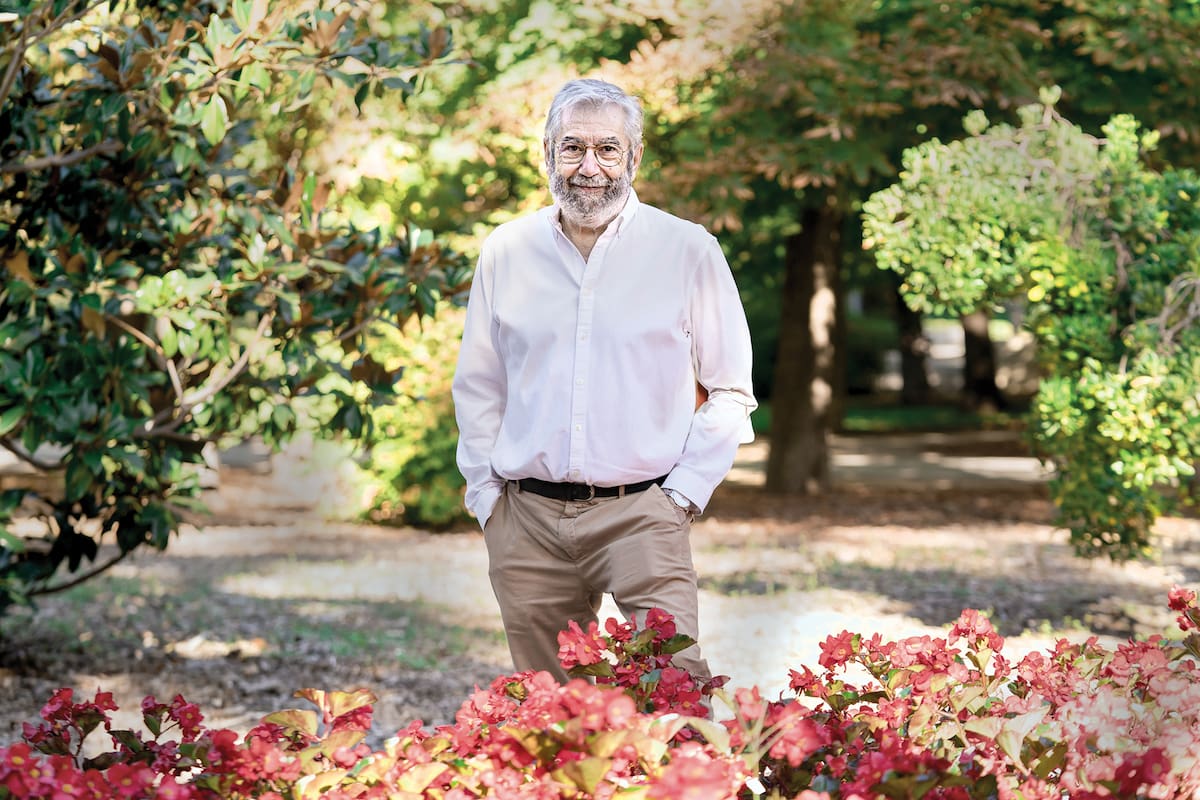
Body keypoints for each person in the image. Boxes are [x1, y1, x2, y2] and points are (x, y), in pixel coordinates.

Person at [452, 78, 756, 684]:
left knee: (677, 695)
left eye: (607, 149)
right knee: (551, 716)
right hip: (526, 521)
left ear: (633, 157)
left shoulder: (688, 250)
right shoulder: (506, 251)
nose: (589, 166)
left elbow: (731, 390)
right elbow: (481, 385)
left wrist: (682, 497)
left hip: (643, 512)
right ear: (547, 153)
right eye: (572, 148)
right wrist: (487, 499)